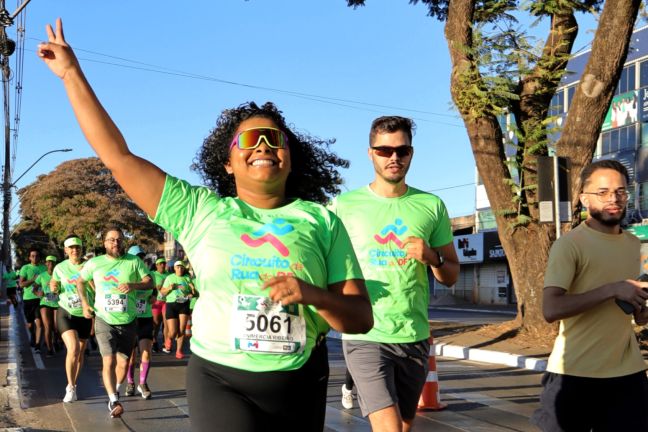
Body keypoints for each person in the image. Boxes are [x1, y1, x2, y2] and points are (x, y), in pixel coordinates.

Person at [38, 18, 373, 432]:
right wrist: (72, 74)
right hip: (220, 378)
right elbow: (118, 158)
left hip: (301, 376)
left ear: (291, 156)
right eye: (249, 141)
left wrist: (311, 294)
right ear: (229, 163)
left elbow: (360, 317)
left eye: (275, 140)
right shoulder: (200, 210)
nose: (263, 147)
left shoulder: (321, 219)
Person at [330, 116, 459, 432]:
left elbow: (451, 274)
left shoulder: (431, 206)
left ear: (411, 153)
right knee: (388, 427)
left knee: (402, 426)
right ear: (370, 153)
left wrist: (432, 256)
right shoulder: (343, 207)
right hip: (366, 334)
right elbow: (326, 266)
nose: (394, 158)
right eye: (385, 151)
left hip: (413, 335)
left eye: (401, 150)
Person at [532, 159, 648, 431]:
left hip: (627, 374)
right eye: (603, 192)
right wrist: (611, 289)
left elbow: (632, 313)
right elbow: (551, 309)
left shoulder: (633, 244)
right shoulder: (569, 245)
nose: (614, 199)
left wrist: (641, 310)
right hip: (573, 374)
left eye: (620, 191)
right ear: (584, 199)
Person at [75, 227, 152, 418]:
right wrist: (85, 304)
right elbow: (80, 281)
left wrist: (132, 285)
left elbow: (150, 282)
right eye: (111, 240)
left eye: (118, 240)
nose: (115, 243)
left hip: (129, 319)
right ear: (104, 243)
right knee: (108, 359)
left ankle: (115, 390)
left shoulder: (134, 262)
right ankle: (113, 400)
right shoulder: (95, 263)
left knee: (124, 363)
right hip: (104, 318)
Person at [51, 235, 92, 402]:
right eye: (71, 247)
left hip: (85, 313)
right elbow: (54, 286)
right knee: (73, 349)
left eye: (77, 247)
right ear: (66, 250)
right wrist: (53, 287)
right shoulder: (60, 268)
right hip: (66, 312)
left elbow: (97, 288)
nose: (75, 250)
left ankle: (74, 384)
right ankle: (70, 387)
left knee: (80, 353)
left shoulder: (89, 266)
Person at [123, 245, 156, 399]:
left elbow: (153, 290)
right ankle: (130, 382)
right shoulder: (126, 275)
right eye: (136, 257)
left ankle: (143, 383)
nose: (139, 259)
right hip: (129, 318)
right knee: (130, 355)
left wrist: (153, 297)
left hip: (146, 318)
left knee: (146, 353)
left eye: (141, 257)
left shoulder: (149, 275)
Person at [160, 260, 195, 359]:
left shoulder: (187, 278)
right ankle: (169, 339)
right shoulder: (169, 278)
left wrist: (191, 291)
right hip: (171, 304)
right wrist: (169, 289)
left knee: (182, 329)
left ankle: (179, 351)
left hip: (184, 304)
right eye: (178, 267)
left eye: (182, 267)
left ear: (184, 268)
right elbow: (162, 293)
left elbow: (194, 294)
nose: (180, 269)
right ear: (174, 268)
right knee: (173, 331)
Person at [19, 248, 46, 353]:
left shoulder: (43, 268)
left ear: (39, 257)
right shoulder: (25, 268)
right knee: (30, 324)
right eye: (33, 256)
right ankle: (32, 335)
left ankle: (38, 344)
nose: (35, 258)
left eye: (37, 256)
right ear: (29, 257)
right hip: (28, 299)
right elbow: (21, 284)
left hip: (41, 299)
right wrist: (33, 280)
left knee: (39, 323)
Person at [36, 255, 59, 357]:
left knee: (56, 327)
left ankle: (55, 342)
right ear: (46, 264)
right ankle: (50, 349)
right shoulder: (42, 275)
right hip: (45, 302)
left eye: (52, 263)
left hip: (57, 302)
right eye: (48, 262)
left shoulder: (59, 275)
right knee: (48, 327)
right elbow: (34, 288)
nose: (50, 264)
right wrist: (38, 294)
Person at [150, 257, 168, 353]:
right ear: (156, 265)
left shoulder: (169, 275)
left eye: (164, 263)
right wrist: (154, 288)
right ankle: (154, 341)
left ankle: (166, 343)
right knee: (156, 323)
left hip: (166, 301)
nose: (162, 265)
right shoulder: (152, 274)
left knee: (166, 323)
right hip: (156, 301)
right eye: (160, 263)